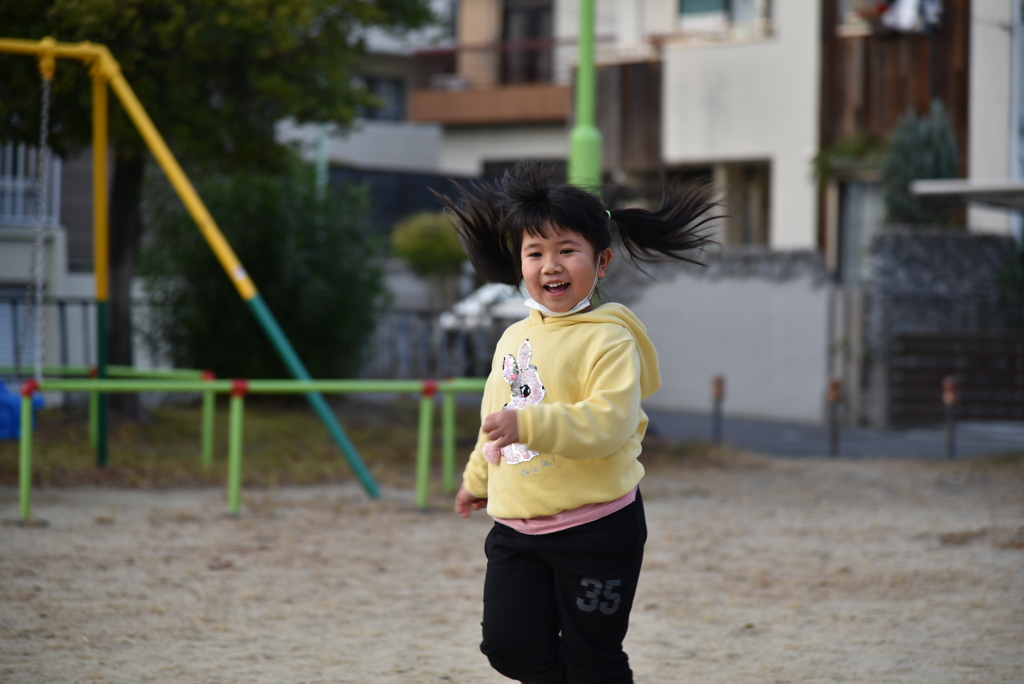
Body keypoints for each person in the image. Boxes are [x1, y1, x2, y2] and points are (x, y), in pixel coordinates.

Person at [438, 160, 715, 684]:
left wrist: (531, 426)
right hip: (517, 529)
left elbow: (607, 423)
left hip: (597, 530)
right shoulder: (511, 338)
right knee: (508, 648)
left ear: (601, 260)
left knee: (594, 658)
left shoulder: (609, 338)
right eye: (535, 253)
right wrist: (476, 480)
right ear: (518, 263)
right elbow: (493, 422)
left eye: (567, 250)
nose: (551, 266)